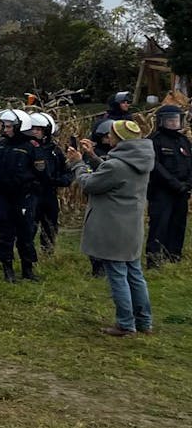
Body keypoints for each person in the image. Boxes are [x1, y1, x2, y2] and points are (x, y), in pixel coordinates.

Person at [66, 120, 155, 336]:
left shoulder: (115, 166)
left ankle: (125, 324)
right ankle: (144, 321)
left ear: (119, 139)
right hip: (131, 226)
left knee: (117, 274)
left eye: (112, 134)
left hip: (113, 227)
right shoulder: (140, 160)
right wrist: (93, 157)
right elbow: (110, 173)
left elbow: (89, 184)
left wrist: (78, 163)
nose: (108, 137)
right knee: (135, 273)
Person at [0, 109, 41, 283]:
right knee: (5, 233)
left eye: (10, 126)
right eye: (4, 126)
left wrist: (30, 186)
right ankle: (7, 269)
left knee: (25, 233)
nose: (6, 129)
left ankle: (28, 269)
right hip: (3, 195)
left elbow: (40, 172)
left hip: (23, 196)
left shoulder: (31, 147)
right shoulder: (0, 144)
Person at [146, 104, 191, 265]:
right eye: (170, 120)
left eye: (176, 120)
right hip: (161, 192)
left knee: (178, 225)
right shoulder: (154, 141)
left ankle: (174, 257)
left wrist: (187, 184)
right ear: (162, 121)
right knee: (160, 225)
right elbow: (155, 166)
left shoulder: (183, 140)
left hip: (182, 191)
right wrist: (174, 184)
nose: (174, 123)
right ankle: (155, 260)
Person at [27, 113, 71, 255]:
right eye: (32, 129)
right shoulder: (26, 149)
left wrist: (63, 180)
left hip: (49, 193)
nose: (35, 132)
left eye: (38, 129)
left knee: (50, 225)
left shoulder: (54, 150)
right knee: (30, 226)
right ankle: (27, 254)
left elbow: (65, 170)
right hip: (32, 193)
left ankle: (48, 253)